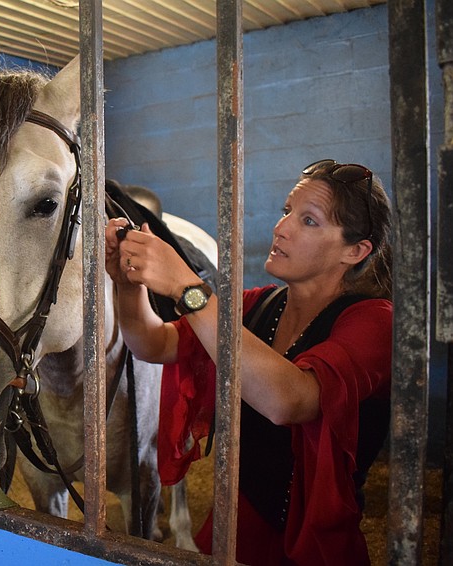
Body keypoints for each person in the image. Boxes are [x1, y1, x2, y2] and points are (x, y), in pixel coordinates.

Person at [105, 159, 393, 565]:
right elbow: (153, 344)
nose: (282, 227)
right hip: (233, 531)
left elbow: (289, 401)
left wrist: (188, 287)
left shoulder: (374, 320)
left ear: (355, 250)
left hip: (313, 548)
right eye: (286, 211)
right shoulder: (258, 305)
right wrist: (127, 282)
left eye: (308, 221)